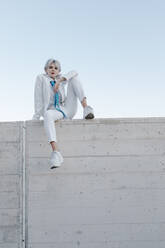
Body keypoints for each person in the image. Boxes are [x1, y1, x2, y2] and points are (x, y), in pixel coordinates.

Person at [32, 58, 94, 169]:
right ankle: (56, 153)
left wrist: (60, 81)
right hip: (53, 111)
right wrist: (36, 116)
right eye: (50, 67)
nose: (53, 70)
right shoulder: (41, 78)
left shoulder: (60, 79)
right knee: (47, 115)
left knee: (74, 78)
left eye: (56, 68)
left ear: (59, 71)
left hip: (66, 108)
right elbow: (38, 99)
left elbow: (74, 72)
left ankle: (86, 109)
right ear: (45, 69)